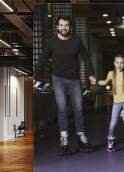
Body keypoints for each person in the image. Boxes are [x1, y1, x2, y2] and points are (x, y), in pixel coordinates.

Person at [34, 16, 96, 154]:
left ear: (70, 27)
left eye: (66, 25)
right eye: (61, 25)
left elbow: (86, 57)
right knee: (62, 108)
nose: (63, 28)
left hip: (74, 79)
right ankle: (64, 139)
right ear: (57, 27)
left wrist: (91, 74)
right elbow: (43, 59)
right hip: (58, 79)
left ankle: (81, 137)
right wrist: (35, 76)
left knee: (78, 109)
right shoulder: (51, 42)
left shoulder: (76, 41)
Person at [98, 54, 124, 155]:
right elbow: (105, 82)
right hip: (116, 101)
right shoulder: (111, 73)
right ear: (114, 63)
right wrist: (96, 82)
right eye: (117, 62)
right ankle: (110, 142)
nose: (119, 65)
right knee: (113, 121)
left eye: (122, 63)